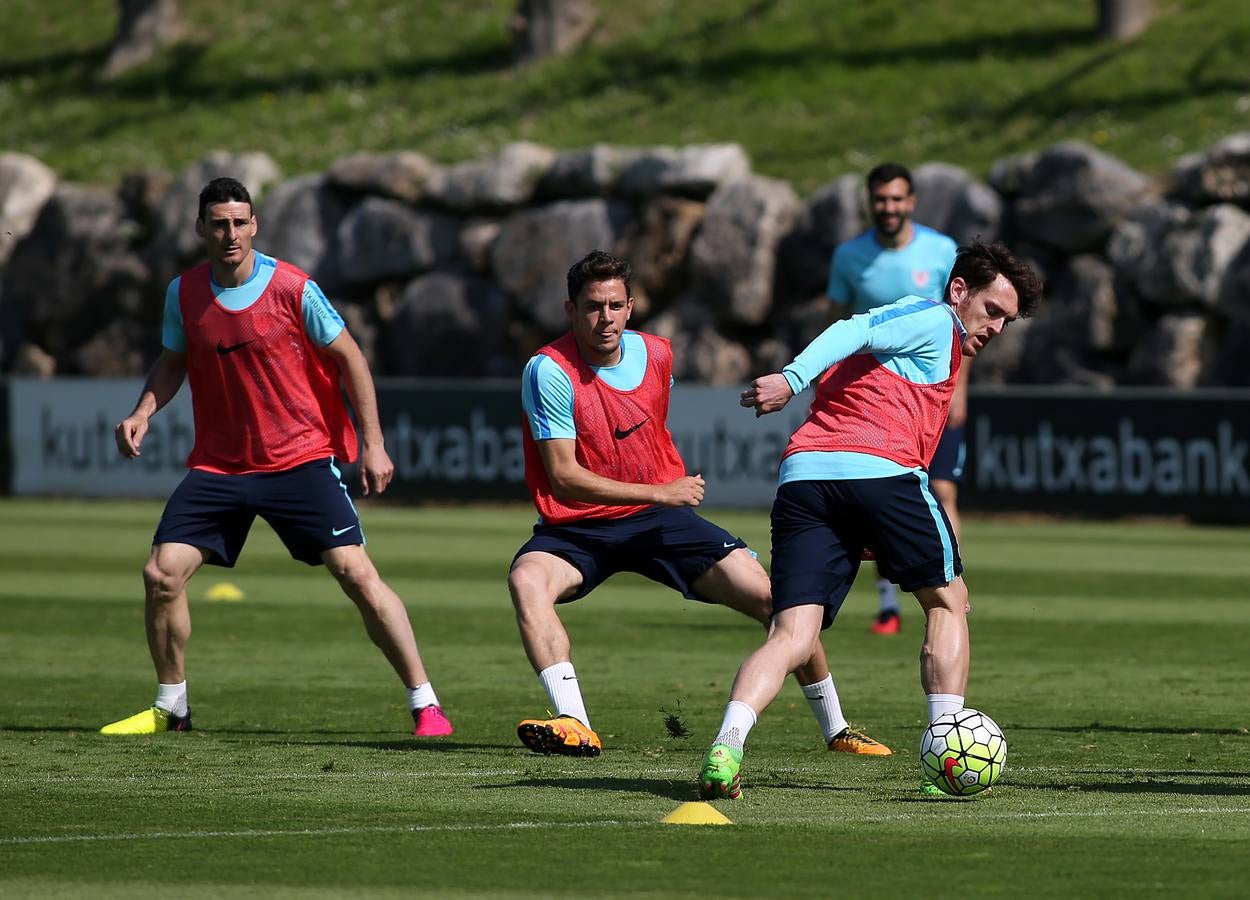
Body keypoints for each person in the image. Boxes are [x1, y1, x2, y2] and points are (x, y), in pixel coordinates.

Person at [100, 177, 454, 738]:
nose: (230, 233)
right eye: (219, 223)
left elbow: (351, 359)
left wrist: (374, 443)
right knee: (161, 575)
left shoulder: (293, 287)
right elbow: (174, 360)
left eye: (240, 222)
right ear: (201, 229)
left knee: (356, 574)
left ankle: (426, 703)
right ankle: (172, 706)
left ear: (255, 225)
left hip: (300, 460)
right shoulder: (183, 292)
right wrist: (144, 410)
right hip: (219, 467)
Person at [508, 250, 888, 758]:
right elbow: (565, 477)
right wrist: (660, 491)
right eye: (593, 306)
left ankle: (837, 730)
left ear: (631, 306)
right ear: (570, 310)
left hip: (662, 520)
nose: (605, 318)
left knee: (780, 603)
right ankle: (575, 722)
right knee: (526, 580)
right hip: (581, 524)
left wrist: (660, 496)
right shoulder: (548, 371)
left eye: (615, 305)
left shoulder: (658, 355)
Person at [698, 241, 1041, 799]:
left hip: (805, 481)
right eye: (992, 311)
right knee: (948, 602)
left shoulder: (939, 347)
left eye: (1007, 319)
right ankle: (946, 752)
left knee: (792, 634)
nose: (997, 328)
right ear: (959, 291)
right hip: (879, 470)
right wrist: (791, 379)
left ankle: (728, 744)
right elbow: (851, 328)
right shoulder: (932, 317)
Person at [827, 163, 964, 635]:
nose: (888, 207)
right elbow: (839, 323)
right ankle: (888, 603)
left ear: (912, 202)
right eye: (880, 199)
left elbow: (959, 330)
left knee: (943, 490)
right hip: (873, 402)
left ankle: (951, 588)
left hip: (930, 396)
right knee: (879, 498)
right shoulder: (850, 256)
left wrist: (957, 391)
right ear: (871, 203)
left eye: (896, 199)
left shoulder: (942, 251)